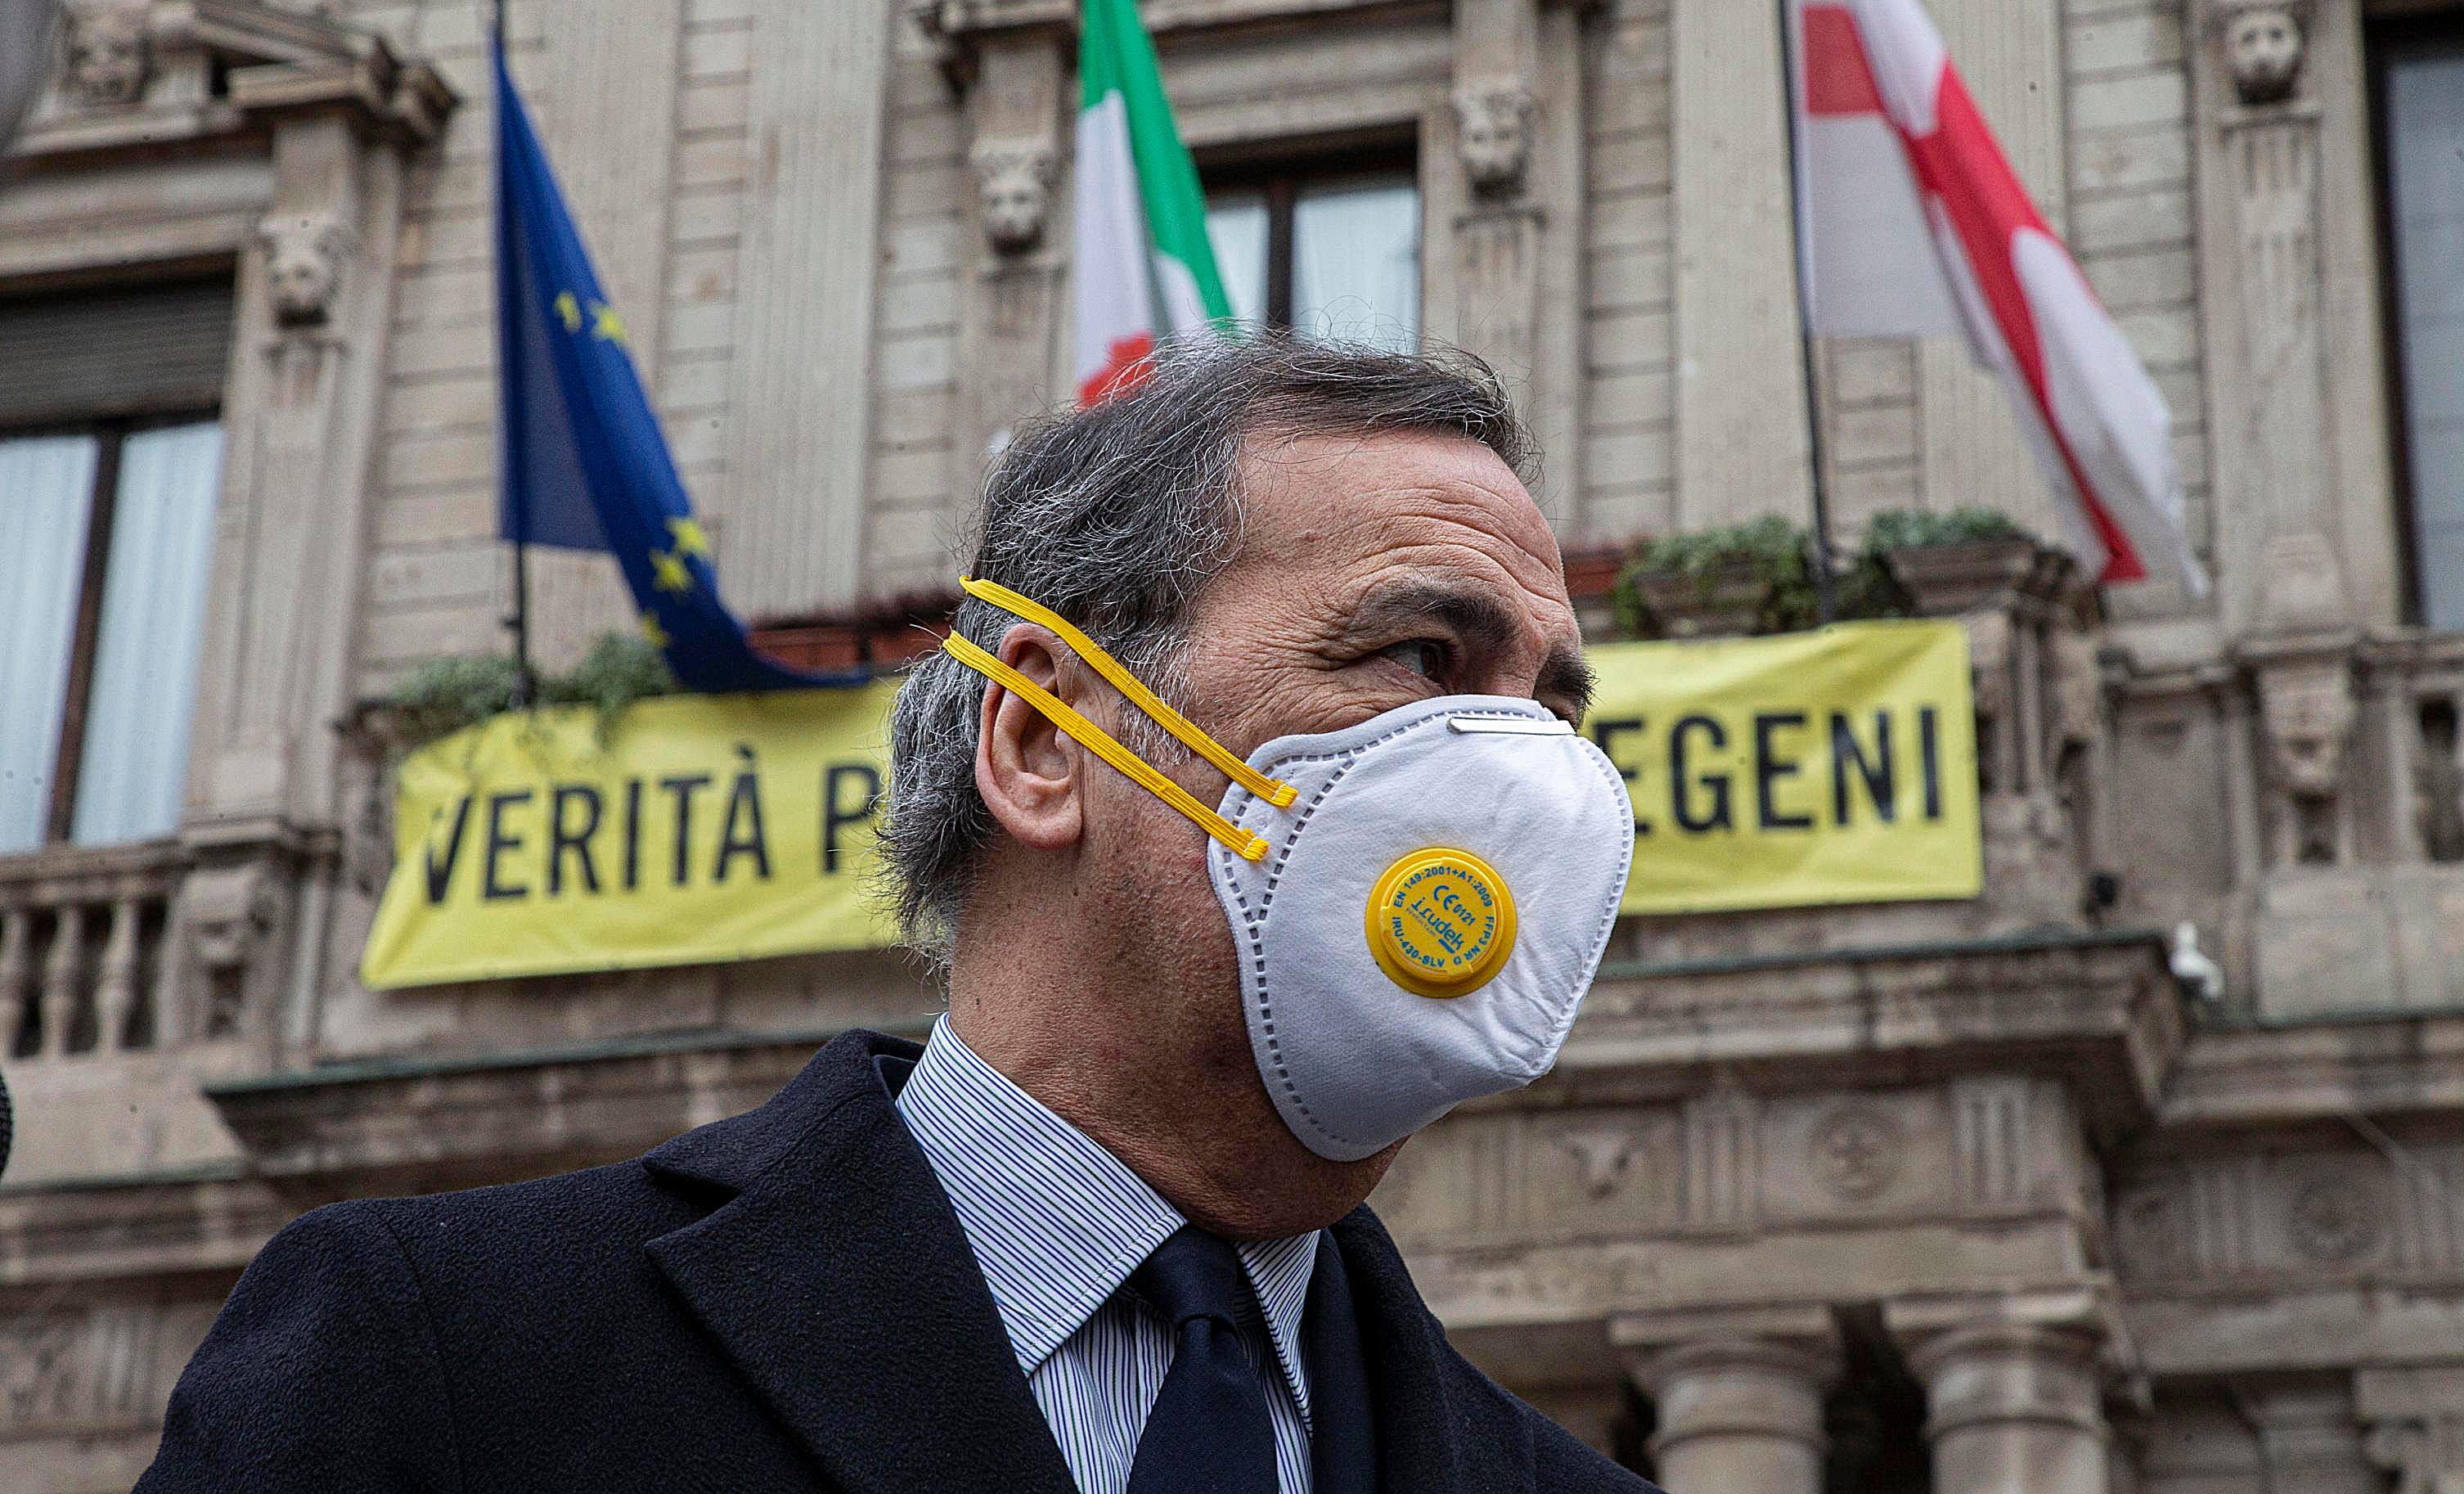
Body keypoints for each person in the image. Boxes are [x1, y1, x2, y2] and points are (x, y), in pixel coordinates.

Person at [137, 334, 1649, 1492]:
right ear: (1046, 742)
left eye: (1551, 709)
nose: (1520, 776)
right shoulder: (445, 1354)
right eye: (1420, 657)